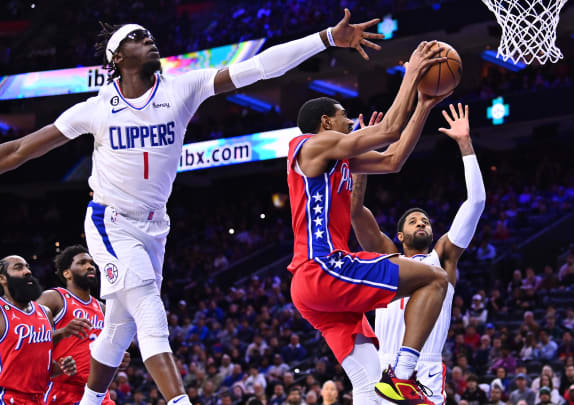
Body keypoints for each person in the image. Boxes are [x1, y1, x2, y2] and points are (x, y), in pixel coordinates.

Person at [0, 10, 383, 405]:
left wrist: (325, 37)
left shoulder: (180, 88)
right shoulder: (95, 109)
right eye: (138, 37)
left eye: (150, 34)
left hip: (155, 226)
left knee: (118, 327)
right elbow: (18, 149)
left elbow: (260, 67)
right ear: (118, 57)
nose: (150, 39)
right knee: (148, 307)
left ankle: (89, 402)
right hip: (109, 221)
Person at [286, 41, 449, 404]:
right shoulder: (309, 145)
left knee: (368, 387)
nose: (350, 119)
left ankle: (394, 380)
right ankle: (405, 372)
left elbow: (393, 159)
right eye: (344, 115)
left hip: (313, 290)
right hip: (323, 268)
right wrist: (410, 75)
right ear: (326, 123)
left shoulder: (340, 159)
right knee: (435, 278)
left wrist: (422, 105)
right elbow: (390, 129)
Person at [350, 102, 485, 404]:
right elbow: (355, 212)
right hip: (380, 367)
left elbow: (475, 203)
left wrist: (465, 143)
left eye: (425, 220)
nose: (421, 222)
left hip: (424, 370)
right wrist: (360, 152)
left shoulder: (444, 257)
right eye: (413, 221)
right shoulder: (387, 256)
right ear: (400, 236)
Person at [39, 245, 132, 405]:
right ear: (66, 273)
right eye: (82, 263)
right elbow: (28, 340)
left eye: (91, 262)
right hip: (61, 390)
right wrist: (62, 332)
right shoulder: (55, 298)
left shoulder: (103, 309)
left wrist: (117, 358)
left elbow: (102, 355)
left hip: (98, 393)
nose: (90, 266)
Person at [0, 256, 78, 404]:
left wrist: (60, 367)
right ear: (2, 278)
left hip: (40, 398)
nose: (27, 271)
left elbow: (44, 367)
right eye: (18, 267)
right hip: (8, 398)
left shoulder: (45, 312)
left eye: (27, 267)